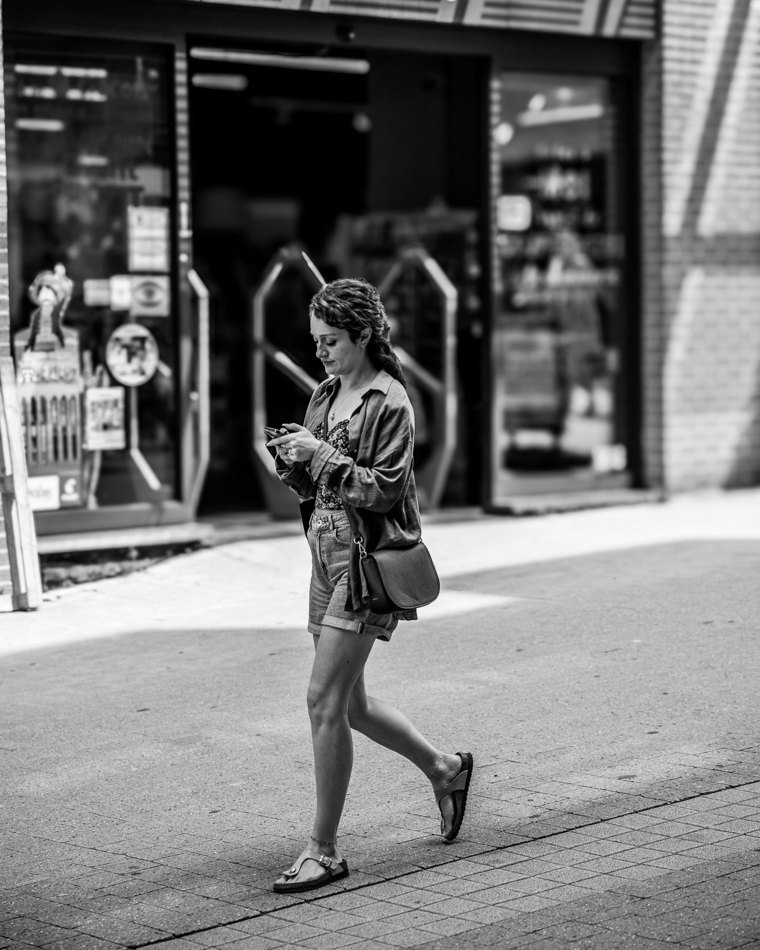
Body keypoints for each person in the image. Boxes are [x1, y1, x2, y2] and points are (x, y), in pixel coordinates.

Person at [266, 277, 473, 894]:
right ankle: (444, 768)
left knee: (322, 700)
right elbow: (316, 486)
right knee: (350, 706)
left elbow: (383, 489)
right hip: (324, 554)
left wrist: (318, 455)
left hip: (365, 563)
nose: (319, 352)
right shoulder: (326, 393)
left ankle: (323, 851)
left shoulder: (390, 401)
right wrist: (292, 457)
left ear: (361, 335)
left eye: (330, 340)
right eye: (315, 340)